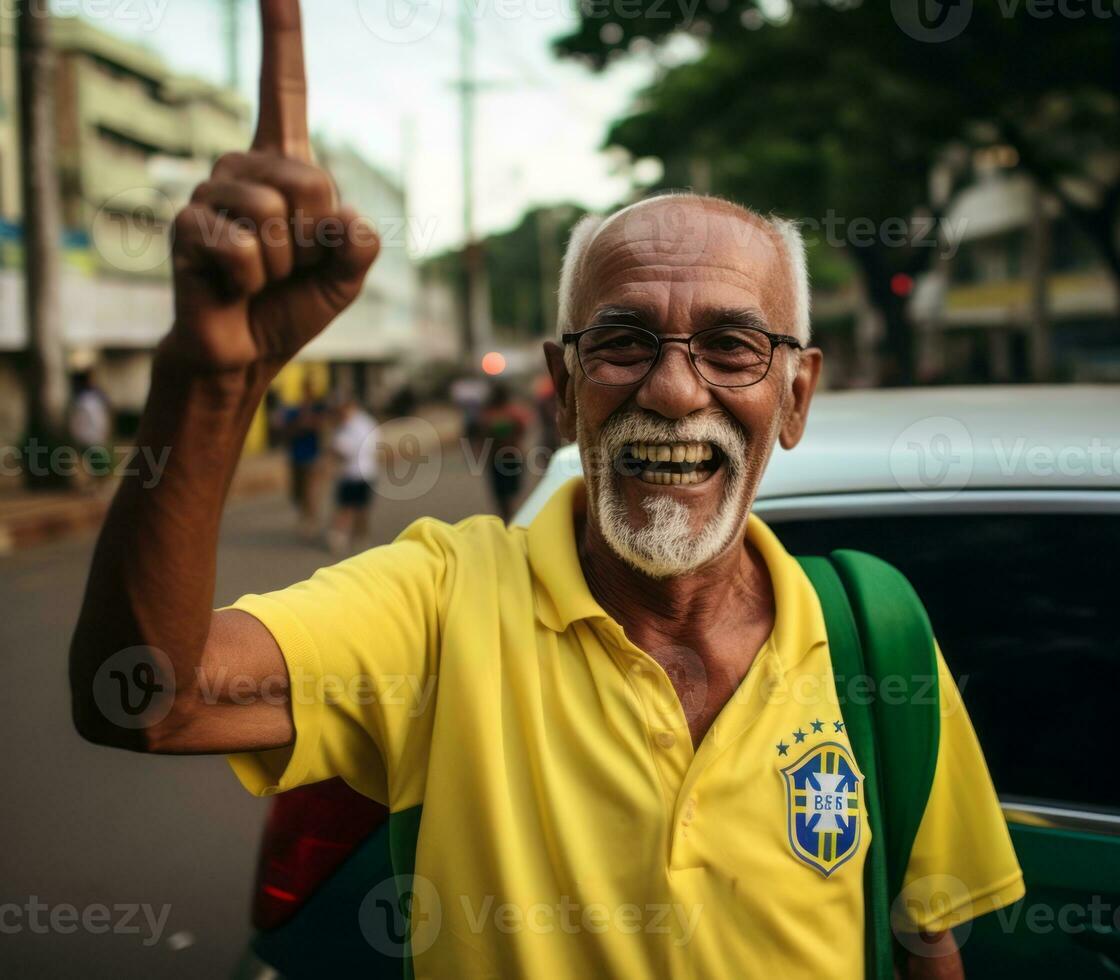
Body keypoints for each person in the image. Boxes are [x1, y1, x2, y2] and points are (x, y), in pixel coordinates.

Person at [69, 3, 1023, 977]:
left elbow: (925, 942)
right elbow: (147, 699)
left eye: (732, 346)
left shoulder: (874, 633)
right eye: (620, 342)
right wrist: (211, 377)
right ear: (564, 392)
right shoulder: (444, 605)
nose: (671, 390)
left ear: (796, 394)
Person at [327, 396, 377, 556]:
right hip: (348, 474)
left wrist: (338, 450)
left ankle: (359, 537)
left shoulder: (361, 424)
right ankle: (342, 537)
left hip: (362, 473)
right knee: (345, 507)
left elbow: (352, 448)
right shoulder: (344, 423)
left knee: (359, 509)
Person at [276, 380, 326, 538]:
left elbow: (322, 426)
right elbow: (286, 431)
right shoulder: (294, 411)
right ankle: (304, 517)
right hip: (297, 457)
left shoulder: (318, 409)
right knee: (296, 493)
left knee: (310, 492)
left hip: (312, 458)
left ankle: (310, 521)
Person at [477, 381, 532, 519]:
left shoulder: (489, 414)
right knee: (510, 492)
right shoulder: (513, 412)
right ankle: (508, 516)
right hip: (511, 456)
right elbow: (522, 430)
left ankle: (506, 516)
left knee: (503, 494)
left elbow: (482, 435)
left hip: (498, 458)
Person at [68, 370, 113, 488]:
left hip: (95, 435)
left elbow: (103, 417)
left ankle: (98, 483)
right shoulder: (83, 399)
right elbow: (79, 419)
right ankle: (94, 483)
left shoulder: (95, 397)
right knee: (92, 462)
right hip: (88, 435)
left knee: (98, 462)